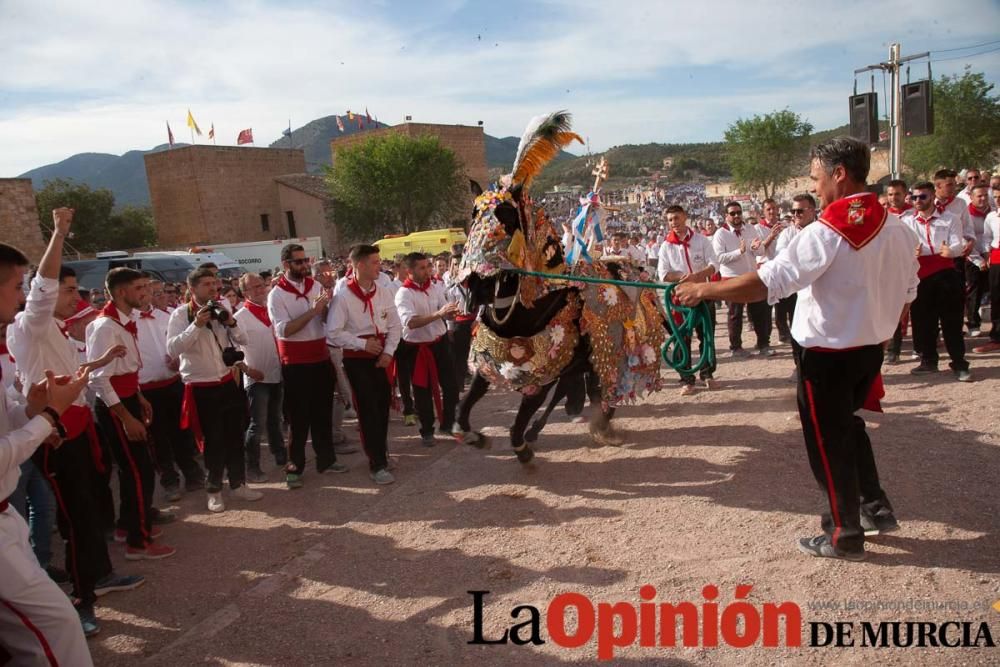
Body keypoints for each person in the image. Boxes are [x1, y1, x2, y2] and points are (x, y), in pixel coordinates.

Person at [676, 136, 918, 561]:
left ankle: (843, 533)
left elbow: (769, 282)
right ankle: (874, 509)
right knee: (849, 428)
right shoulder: (898, 227)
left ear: (839, 174)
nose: (816, 187)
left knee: (828, 442)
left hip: (826, 356)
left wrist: (704, 291)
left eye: (817, 178)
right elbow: (909, 290)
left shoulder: (826, 231)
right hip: (868, 350)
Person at [8, 209, 146, 637]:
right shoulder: (28, 325)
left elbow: (74, 367)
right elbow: (41, 290)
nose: (74, 296)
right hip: (56, 434)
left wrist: (96, 365)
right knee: (73, 517)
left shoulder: (55, 328)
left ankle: (99, 577)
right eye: (68, 290)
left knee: (89, 510)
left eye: (73, 289)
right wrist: (59, 234)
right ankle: (80, 600)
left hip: (79, 425)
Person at [0, 242, 94, 663]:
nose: (23, 295)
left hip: (6, 515)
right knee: (55, 630)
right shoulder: (27, 325)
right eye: (16, 285)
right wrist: (48, 417)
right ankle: (85, 593)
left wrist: (30, 408)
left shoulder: (52, 328)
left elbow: (9, 411)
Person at [87, 268, 179, 561]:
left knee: (134, 469)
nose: (146, 292)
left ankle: (128, 526)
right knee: (139, 470)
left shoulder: (124, 322)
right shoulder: (106, 327)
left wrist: (138, 396)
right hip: (116, 405)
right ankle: (139, 541)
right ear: (122, 292)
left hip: (129, 396)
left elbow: (125, 368)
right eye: (139, 288)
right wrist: (126, 416)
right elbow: (99, 379)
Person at [167, 269, 263, 512]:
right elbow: (173, 349)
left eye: (214, 283)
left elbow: (243, 339)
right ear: (192, 288)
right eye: (207, 284)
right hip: (200, 386)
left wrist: (230, 321)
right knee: (213, 440)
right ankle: (214, 490)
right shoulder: (181, 314)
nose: (213, 288)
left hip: (226, 380)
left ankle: (238, 484)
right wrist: (197, 324)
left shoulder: (222, 308)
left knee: (234, 435)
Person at [268, 244, 345, 489]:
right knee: (298, 418)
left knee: (323, 412)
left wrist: (329, 306)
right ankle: (294, 467)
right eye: (298, 262)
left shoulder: (316, 286)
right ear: (286, 265)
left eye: (305, 260)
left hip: (320, 357)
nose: (304, 266)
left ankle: (326, 460)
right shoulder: (276, 294)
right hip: (296, 363)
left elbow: (326, 319)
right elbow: (284, 331)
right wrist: (313, 311)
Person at [328, 245, 402, 485]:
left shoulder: (383, 291)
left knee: (382, 408)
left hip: (381, 355)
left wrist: (388, 352)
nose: (378, 265)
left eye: (378, 261)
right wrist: (361, 344)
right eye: (373, 262)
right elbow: (333, 334)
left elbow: (395, 325)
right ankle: (377, 464)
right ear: (358, 265)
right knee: (368, 410)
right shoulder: (343, 296)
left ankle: (382, 453)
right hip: (357, 359)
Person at [137, 279, 204, 502]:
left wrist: (178, 359)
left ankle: (192, 474)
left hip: (173, 383)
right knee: (158, 439)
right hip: (147, 389)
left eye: (150, 290)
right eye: (144, 289)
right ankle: (170, 481)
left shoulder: (167, 317)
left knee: (182, 432)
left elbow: (179, 345)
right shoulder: (127, 323)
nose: (148, 294)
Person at [900, 182, 971, 382]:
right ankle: (928, 360)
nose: (918, 201)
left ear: (932, 197)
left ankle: (959, 363)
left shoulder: (950, 219)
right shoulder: (907, 222)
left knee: (952, 322)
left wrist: (952, 251)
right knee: (923, 322)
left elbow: (957, 244)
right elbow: (905, 247)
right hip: (920, 275)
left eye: (922, 197)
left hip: (945, 273)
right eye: (914, 198)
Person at [656, 205, 719, 395]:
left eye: (676, 218)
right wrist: (684, 277)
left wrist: (698, 276)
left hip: (703, 293)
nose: (674, 223)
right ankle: (686, 379)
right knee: (682, 339)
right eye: (670, 220)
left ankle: (707, 374)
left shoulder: (702, 240)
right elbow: (663, 274)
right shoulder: (666, 246)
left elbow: (714, 264)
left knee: (706, 335)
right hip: (680, 298)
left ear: (685, 217)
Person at [234, 272, 287, 482]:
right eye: (254, 287)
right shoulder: (240, 317)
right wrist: (247, 370)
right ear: (244, 292)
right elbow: (232, 351)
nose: (260, 289)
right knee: (257, 424)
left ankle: (280, 455)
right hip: (257, 379)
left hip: (276, 373)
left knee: (276, 419)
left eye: (261, 285)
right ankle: (253, 466)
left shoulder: (272, 310)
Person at [711, 202, 770, 356]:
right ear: (726, 216)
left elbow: (760, 251)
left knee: (759, 311)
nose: (736, 216)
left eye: (738, 212)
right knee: (735, 314)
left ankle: (763, 344)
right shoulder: (720, 234)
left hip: (751, 276)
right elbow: (719, 258)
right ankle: (736, 347)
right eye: (732, 213)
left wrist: (758, 247)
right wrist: (739, 251)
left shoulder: (750, 229)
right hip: (731, 278)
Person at [773, 194, 818, 341]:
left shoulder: (823, 230)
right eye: (793, 212)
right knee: (797, 328)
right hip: (796, 287)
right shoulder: (787, 233)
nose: (795, 215)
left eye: (800, 211)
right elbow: (782, 256)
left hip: (819, 288)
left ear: (812, 210)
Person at [973, 186, 1000, 354]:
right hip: (997, 257)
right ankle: (996, 337)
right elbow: (987, 237)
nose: (998, 199)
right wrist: (987, 254)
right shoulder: (991, 217)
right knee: (996, 297)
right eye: (996, 197)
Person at [965, 183, 990, 337]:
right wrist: (978, 260)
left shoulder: (993, 213)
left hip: (990, 257)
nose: (982, 199)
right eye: (979, 196)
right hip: (972, 258)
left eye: (985, 195)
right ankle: (973, 323)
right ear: (972, 197)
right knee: (974, 291)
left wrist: (988, 257)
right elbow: (965, 239)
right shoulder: (967, 215)